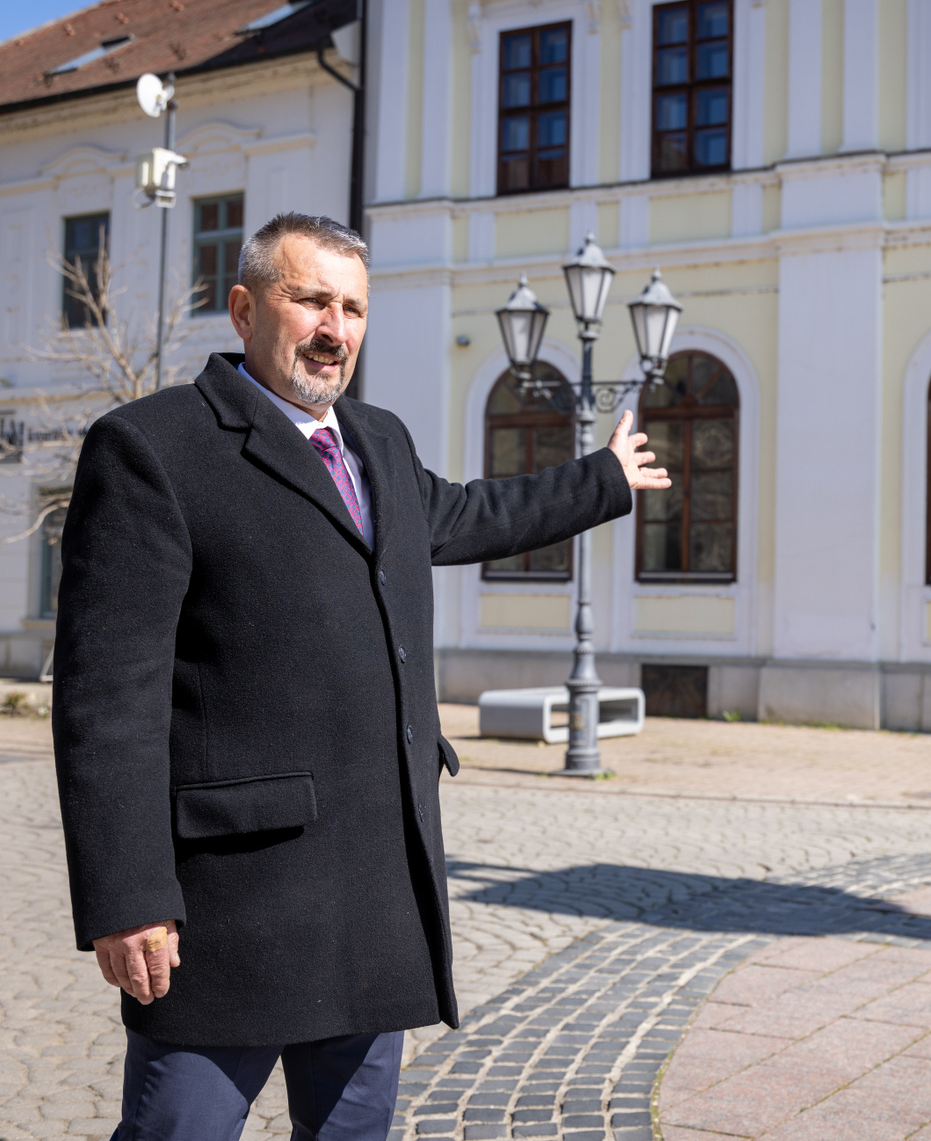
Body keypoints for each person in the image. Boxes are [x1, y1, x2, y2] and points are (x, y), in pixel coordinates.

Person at [52, 212, 669, 1140]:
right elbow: (108, 697)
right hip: (234, 905)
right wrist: (127, 896)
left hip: (375, 889)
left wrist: (603, 478)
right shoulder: (153, 448)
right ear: (245, 308)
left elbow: (464, 514)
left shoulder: (375, 441)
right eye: (310, 301)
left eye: (353, 308)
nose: (334, 328)